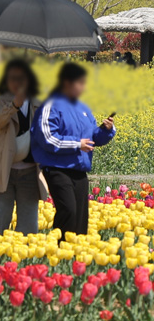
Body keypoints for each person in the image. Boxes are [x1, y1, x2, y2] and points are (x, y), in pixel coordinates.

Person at [31, 63, 116, 237]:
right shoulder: (50, 105)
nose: (84, 87)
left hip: (79, 168)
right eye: (81, 83)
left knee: (80, 219)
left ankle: (74, 257)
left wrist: (106, 130)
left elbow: (92, 138)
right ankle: (58, 251)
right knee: (68, 210)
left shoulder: (83, 108)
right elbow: (47, 138)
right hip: (57, 168)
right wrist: (77, 144)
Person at [0, 59, 48, 234]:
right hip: (4, 169)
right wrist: (13, 106)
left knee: (29, 225)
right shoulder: (1, 101)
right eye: (12, 78)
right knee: (0, 218)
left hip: (30, 172)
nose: (16, 83)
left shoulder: (39, 102)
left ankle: (24, 258)